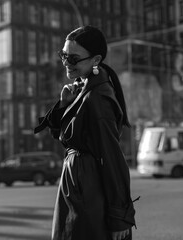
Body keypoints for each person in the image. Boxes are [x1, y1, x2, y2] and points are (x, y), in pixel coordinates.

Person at [34, 26, 137, 240]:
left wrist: (119, 217)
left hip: (87, 192)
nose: (65, 63)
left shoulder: (97, 98)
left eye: (73, 58)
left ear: (96, 60)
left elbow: (112, 158)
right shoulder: (85, 89)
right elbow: (64, 136)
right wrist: (64, 104)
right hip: (79, 187)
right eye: (63, 55)